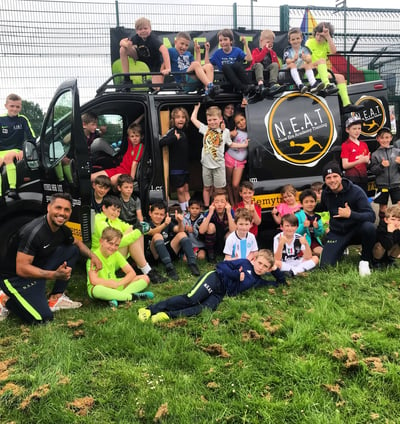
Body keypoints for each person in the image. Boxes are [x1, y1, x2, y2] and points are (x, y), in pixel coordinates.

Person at [0, 193, 102, 324]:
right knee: (41, 318)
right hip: (15, 277)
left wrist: (93, 256)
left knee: (72, 250)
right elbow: (21, 269)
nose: (62, 213)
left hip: (37, 267)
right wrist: (54, 274)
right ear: (49, 207)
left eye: (66, 210)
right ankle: (5, 299)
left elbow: (77, 243)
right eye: (58, 208)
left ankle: (56, 298)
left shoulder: (63, 229)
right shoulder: (33, 232)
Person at [137, 249, 286, 323]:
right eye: (260, 263)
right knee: (191, 298)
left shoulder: (258, 280)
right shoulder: (244, 263)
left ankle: (166, 315)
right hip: (215, 279)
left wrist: (275, 269)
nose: (260, 267)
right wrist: (236, 275)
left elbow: (280, 283)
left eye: (265, 267)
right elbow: (221, 265)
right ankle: (150, 309)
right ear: (254, 259)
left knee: (204, 309)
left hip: (220, 293)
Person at [318, 161, 376, 276]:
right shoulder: (325, 193)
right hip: (338, 233)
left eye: (335, 176)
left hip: (356, 231)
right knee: (325, 266)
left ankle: (365, 260)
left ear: (341, 176)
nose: (332, 180)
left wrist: (351, 214)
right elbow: (323, 206)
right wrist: (305, 206)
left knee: (369, 227)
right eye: (328, 177)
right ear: (325, 180)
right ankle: (341, 248)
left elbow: (371, 216)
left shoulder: (356, 191)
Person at [92, 195, 166, 284]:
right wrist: (138, 231)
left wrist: (144, 229)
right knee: (135, 233)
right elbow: (117, 242)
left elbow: (130, 227)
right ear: (104, 208)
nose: (116, 213)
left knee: (135, 230)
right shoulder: (99, 221)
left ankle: (142, 266)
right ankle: (146, 269)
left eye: (118, 211)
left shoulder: (115, 220)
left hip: (114, 254)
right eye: (113, 210)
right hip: (103, 260)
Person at [305, 22, 364, 113]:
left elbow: (333, 51)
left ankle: (346, 104)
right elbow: (306, 61)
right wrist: (317, 66)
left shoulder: (325, 44)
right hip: (311, 70)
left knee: (340, 77)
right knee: (322, 61)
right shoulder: (309, 42)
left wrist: (328, 36)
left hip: (322, 71)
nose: (318, 38)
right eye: (317, 35)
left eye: (321, 36)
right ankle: (327, 85)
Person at [87, 227, 153, 307]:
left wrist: (118, 284)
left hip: (115, 284)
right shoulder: (93, 258)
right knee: (97, 290)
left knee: (145, 278)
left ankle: (117, 297)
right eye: (110, 243)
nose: (113, 247)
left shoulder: (116, 253)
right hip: (102, 287)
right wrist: (110, 284)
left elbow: (131, 273)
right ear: (101, 241)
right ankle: (132, 297)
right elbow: (94, 281)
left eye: (116, 245)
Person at [145, 202, 201, 280]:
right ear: (150, 213)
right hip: (155, 255)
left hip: (168, 252)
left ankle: (192, 264)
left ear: (165, 215)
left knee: (181, 234)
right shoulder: (146, 223)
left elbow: (179, 230)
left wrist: (180, 222)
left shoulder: (167, 222)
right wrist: (164, 224)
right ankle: (170, 268)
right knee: (157, 236)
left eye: (161, 215)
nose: (158, 216)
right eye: (156, 214)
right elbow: (152, 232)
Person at [191, 103, 232, 208]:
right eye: (209, 120)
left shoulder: (225, 131)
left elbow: (230, 144)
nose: (212, 122)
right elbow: (193, 119)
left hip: (218, 166)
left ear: (220, 119)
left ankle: (219, 207)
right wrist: (196, 108)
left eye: (214, 119)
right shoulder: (205, 129)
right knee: (207, 187)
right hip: (206, 165)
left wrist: (244, 144)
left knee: (219, 190)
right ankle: (207, 207)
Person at [0, 93, 35, 201]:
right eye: (12, 106)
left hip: (16, 149)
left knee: (9, 157)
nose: (15, 109)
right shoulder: (1, 119)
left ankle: (12, 189)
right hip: (1, 150)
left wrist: (24, 151)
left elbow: (32, 137)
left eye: (17, 106)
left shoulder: (23, 120)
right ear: (6, 106)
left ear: (20, 107)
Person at [119, 17, 171, 87]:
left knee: (156, 87)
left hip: (154, 64)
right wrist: (127, 45)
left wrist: (168, 68)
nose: (143, 31)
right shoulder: (136, 37)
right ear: (136, 31)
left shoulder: (153, 39)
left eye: (145, 28)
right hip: (140, 59)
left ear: (150, 29)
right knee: (123, 49)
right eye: (140, 29)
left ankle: (152, 85)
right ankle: (126, 78)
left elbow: (164, 50)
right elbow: (122, 42)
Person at [167, 32, 220, 98]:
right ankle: (210, 86)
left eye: (186, 45)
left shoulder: (188, 54)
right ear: (175, 42)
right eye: (182, 44)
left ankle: (208, 92)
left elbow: (198, 67)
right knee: (195, 64)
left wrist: (198, 52)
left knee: (209, 66)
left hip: (192, 79)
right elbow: (164, 62)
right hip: (183, 82)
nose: (184, 47)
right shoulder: (171, 51)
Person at [91, 122, 144, 186]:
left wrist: (131, 179)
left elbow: (135, 163)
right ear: (129, 137)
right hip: (119, 169)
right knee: (92, 177)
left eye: (137, 136)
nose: (134, 138)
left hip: (126, 174)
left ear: (141, 137)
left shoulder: (140, 146)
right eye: (132, 136)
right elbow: (131, 126)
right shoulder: (131, 144)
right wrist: (142, 115)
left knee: (109, 181)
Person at [159, 107, 191, 212]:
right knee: (180, 190)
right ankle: (185, 212)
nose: (180, 119)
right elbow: (161, 142)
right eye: (177, 117)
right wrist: (174, 138)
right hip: (175, 168)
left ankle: (189, 210)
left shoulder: (184, 132)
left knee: (186, 189)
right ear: (173, 119)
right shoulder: (173, 132)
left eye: (183, 117)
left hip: (184, 167)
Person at [209, 29, 253, 104]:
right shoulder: (218, 53)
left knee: (236, 64)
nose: (223, 42)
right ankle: (244, 88)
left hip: (239, 79)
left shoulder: (237, 50)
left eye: (225, 39)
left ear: (231, 41)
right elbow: (207, 64)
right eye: (220, 40)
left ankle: (249, 87)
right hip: (225, 82)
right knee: (225, 66)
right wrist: (207, 50)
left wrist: (245, 44)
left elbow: (249, 59)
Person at [368, 126, 400, 220]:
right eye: (382, 138)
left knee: (399, 206)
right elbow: (373, 170)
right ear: (378, 139)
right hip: (382, 186)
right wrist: (381, 165)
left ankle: (397, 226)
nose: (385, 140)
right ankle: (382, 226)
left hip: (396, 184)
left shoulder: (397, 152)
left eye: (387, 137)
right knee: (383, 208)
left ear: (391, 138)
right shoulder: (375, 154)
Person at [282, 28, 324, 94]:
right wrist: (293, 59)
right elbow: (287, 61)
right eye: (293, 39)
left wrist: (305, 58)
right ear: (289, 41)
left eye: (297, 38)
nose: (295, 41)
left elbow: (309, 59)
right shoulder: (288, 50)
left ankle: (313, 84)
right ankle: (300, 85)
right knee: (292, 64)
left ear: (301, 38)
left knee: (307, 64)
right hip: (287, 73)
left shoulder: (305, 49)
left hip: (299, 71)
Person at [199, 189, 236, 262]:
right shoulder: (209, 212)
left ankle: (228, 254)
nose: (219, 204)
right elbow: (201, 231)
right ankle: (211, 255)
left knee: (230, 234)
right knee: (210, 226)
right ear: (213, 203)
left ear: (227, 203)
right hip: (213, 241)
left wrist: (228, 213)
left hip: (224, 240)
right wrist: (210, 213)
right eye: (216, 202)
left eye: (222, 201)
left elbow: (234, 231)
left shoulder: (230, 211)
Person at [247, 29, 282, 97]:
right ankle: (260, 85)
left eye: (271, 43)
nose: (270, 44)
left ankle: (273, 84)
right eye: (268, 42)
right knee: (259, 65)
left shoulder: (273, 53)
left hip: (267, 73)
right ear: (261, 41)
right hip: (256, 72)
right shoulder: (256, 51)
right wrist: (265, 50)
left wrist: (273, 57)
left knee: (275, 65)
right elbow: (256, 60)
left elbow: (277, 66)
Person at [341, 115, 370, 194]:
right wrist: (359, 161)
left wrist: (367, 161)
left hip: (363, 177)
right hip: (352, 179)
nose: (357, 131)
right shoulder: (345, 145)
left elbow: (367, 163)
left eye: (359, 128)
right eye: (354, 129)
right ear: (347, 130)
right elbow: (345, 165)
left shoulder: (364, 144)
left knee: (363, 201)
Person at [225, 112, 249, 206]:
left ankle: (238, 203)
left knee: (235, 185)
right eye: (238, 122)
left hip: (240, 162)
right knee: (228, 183)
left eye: (242, 120)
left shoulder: (251, 131)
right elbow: (224, 138)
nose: (241, 123)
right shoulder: (235, 132)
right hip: (229, 158)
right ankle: (232, 204)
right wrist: (231, 134)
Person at [295, 189, 325, 256]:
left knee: (322, 253)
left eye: (312, 201)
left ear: (315, 202)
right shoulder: (297, 216)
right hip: (301, 242)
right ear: (301, 204)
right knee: (305, 255)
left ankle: (313, 254)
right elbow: (295, 233)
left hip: (314, 241)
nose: (310, 204)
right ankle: (311, 255)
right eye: (306, 202)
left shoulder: (317, 216)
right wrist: (303, 226)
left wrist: (317, 228)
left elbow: (319, 233)